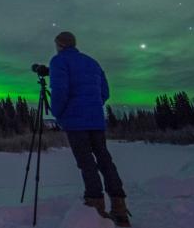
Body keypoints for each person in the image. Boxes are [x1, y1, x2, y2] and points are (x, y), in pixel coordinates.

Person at [48, 31, 131, 227]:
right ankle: (119, 207)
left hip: (75, 123)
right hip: (96, 121)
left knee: (86, 163)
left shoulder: (59, 61)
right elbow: (105, 92)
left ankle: (95, 206)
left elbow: (60, 91)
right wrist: (93, 106)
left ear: (59, 45)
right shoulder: (92, 62)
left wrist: (58, 114)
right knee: (104, 160)